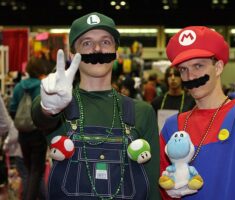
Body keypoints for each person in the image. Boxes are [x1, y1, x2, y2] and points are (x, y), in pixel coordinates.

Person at [31, 12, 160, 199]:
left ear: (116, 51)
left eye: (106, 42)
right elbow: (39, 117)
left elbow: (151, 183)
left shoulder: (142, 111)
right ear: (72, 54)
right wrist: (48, 106)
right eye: (87, 43)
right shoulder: (59, 105)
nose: (97, 49)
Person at [159, 26, 235, 200]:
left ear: (218, 67)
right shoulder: (172, 126)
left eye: (198, 66)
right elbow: (164, 182)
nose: (190, 76)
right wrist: (167, 191)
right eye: (183, 69)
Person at [9, 57, 48, 200]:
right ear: (41, 70)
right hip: (38, 133)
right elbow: (45, 110)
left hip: (22, 134)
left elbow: (12, 109)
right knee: (36, 171)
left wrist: (21, 123)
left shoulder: (19, 86)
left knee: (29, 169)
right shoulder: (42, 85)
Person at [151, 66, 195, 131]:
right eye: (170, 75)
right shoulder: (157, 102)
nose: (173, 78)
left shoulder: (191, 102)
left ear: (182, 78)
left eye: (176, 75)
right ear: (166, 79)